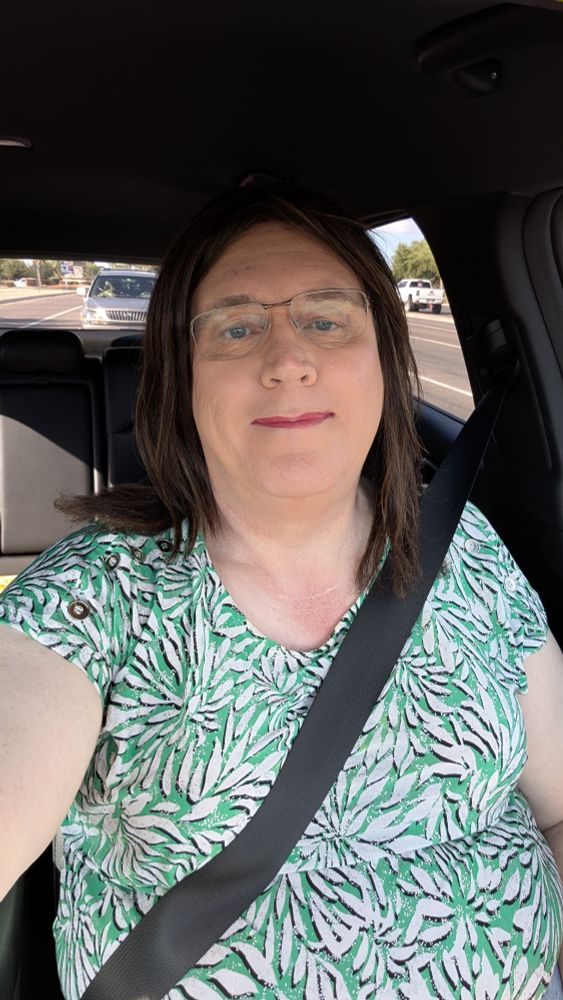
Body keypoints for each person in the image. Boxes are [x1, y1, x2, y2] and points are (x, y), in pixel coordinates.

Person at [0, 182, 562, 1000]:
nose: (288, 359)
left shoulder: (464, 547)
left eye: (326, 320)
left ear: (383, 360)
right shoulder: (92, 597)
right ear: (181, 379)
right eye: (236, 327)